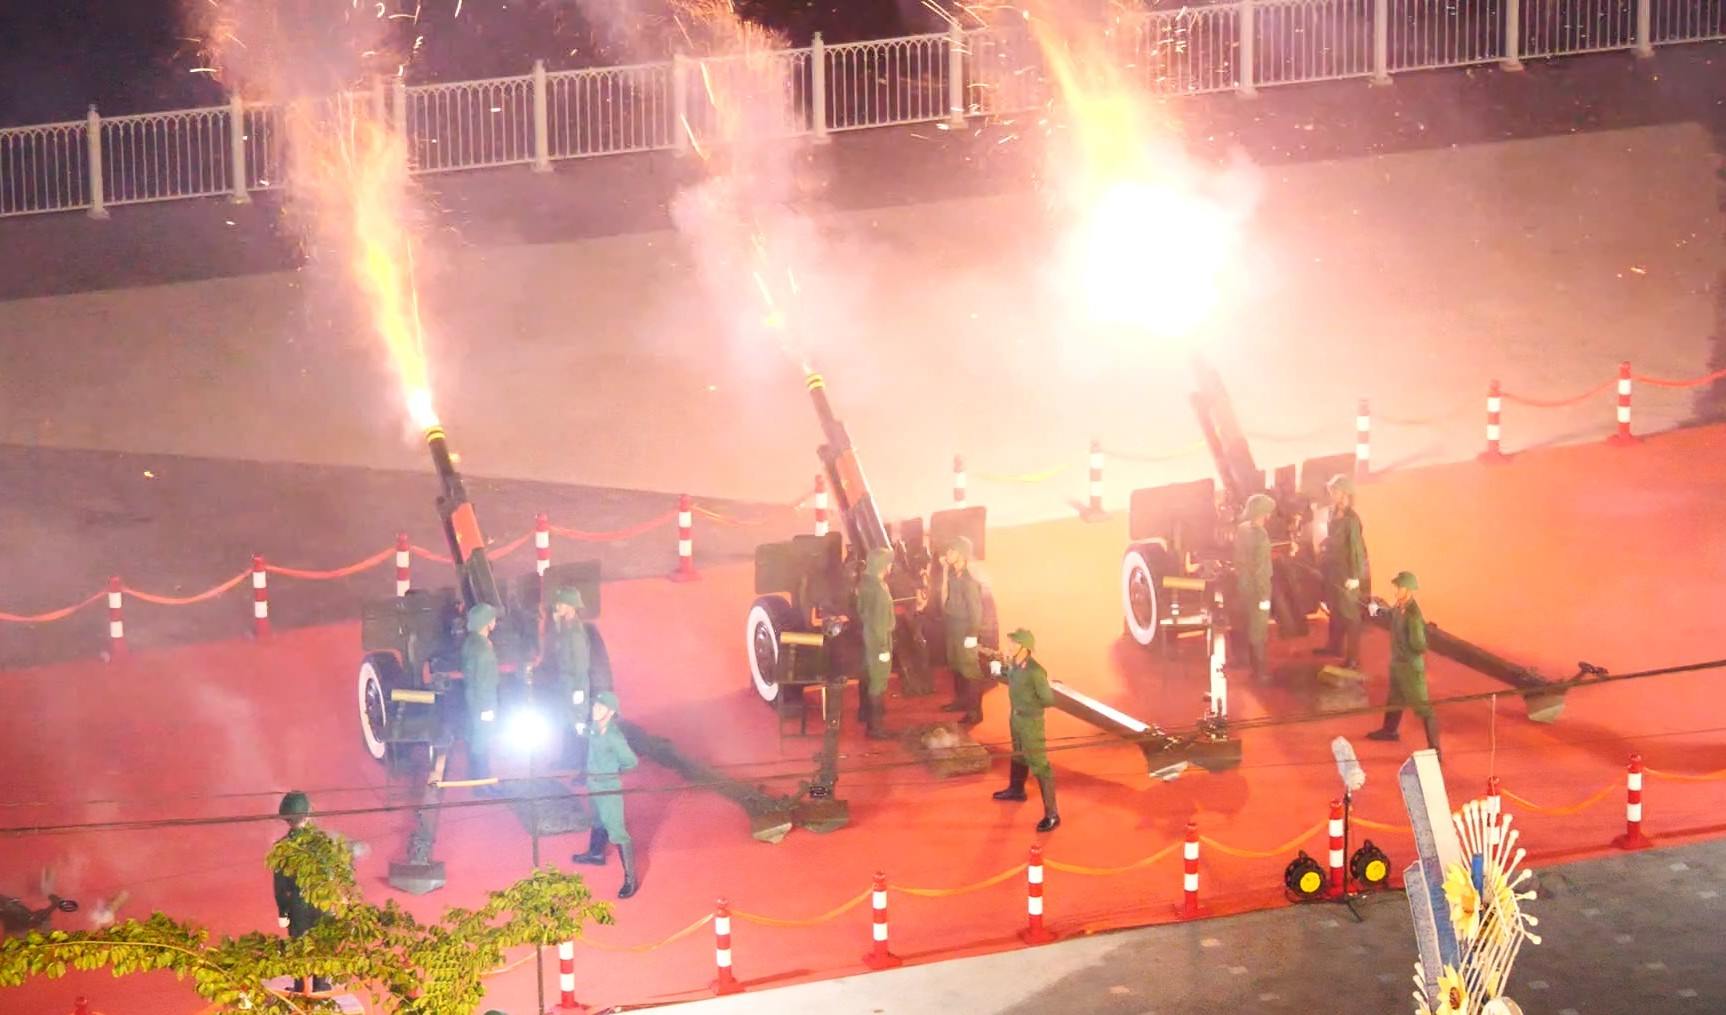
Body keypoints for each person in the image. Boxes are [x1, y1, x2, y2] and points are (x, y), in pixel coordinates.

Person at [570, 692, 641, 898]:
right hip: (594, 784)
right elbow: (583, 731)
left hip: (608, 789)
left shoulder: (613, 737)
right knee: (597, 820)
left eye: (601, 707)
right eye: (595, 706)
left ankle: (630, 879)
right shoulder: (595, 728)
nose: (595, 710)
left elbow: (631, 762)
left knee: (617, 830)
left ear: (611, 712)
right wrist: (575, 709)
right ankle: (596, 853)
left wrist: (612, 773)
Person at [990, 629, 1059, 832]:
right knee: (1018, 753)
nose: (1009, 647)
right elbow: (1011, 675)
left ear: (1025, 648)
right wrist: (998, 671)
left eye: (1014, 644)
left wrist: (1028, 706)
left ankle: (1052, 814)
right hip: (1016, 718)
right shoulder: (1015, 665)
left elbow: (1048, 700)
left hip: (1030, 722)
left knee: (1040, 765)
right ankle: (1017, 789)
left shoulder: (1035, 672)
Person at [1367, 571, 1440, 759]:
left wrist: (1417, 638)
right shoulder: (1400, 607)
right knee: (1395, 699)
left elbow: (1419, 645)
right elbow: (1391, 614)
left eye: (1399, 587)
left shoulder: (1413, 615)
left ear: (1408, 590)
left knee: (1424, 708)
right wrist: (1377, 611)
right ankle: (1389, 731)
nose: (1396, 590)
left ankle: (1435, 749)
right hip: (1398, 665)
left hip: (1410, 668)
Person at [273, 791, 331, 995]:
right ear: (308, 814)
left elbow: (281, 887)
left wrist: (282, 912)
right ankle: (321, 986)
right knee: (322, 944)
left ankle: (301, 988)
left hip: (297, 906)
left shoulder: (282, 848)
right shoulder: (324, 843)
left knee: (299, 946)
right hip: (324, 902)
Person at [546, 587, 607, 771]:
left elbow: (580, 664)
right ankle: (569, 759)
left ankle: (585, 766)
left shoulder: (575, 633)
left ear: (571, 607)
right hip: (567, 683)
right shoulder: (567, 628)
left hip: (575, 684)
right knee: (567, 721)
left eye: (561, 603)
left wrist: (579, 690)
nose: (557, 606)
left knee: (579, 724)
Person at [1314, 474, 1367, 670]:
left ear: (1344, 493)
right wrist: (1326, 544)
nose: (1331, 493)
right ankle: (1334, 647)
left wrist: (1355, 577)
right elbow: (1334, 537)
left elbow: (1356, 549)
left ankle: (1353, 658)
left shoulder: (1352, 520)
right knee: (1335, 610)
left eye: (1334, 490)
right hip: (1333, 570)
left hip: (1346, 572)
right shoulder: (1334, 513)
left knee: (1350, 614)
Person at [938, 536, 984, 726]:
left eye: (952, 551)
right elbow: (944, 598)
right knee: (956, 665)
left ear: (962, 554)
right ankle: (961, 701)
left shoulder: (969, 580)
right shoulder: (951, 574)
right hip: (952, 626)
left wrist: (973, 634)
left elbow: (976, 610)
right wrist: (944, 569)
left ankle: (975, 712)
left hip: (965, 628)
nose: (947, 554)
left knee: (970, 669)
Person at [1233, 493, 1275, 684]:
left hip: (1244, 586)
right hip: (1258, 590)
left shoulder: (1242, 529)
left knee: (1247, 625)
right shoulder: (1261, 536)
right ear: (1263, 513)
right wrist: (1264, 596)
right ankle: (1260, 673)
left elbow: (1238, 560)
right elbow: (1262, 570)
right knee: (1258, 630)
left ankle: (1250, 666)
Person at [857, 547, 896, 741]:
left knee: (868, 677)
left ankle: (865, 714)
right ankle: (876, 728)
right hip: (878, 641)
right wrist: (883, 649)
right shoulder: (880, 590)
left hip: (867, 637)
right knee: (878, 682)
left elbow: (861, 611)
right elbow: (881, 623)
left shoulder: (865, 583)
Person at [463, 603, 501, 787]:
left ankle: (479, 779)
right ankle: (482, 783)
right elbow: (485, 681)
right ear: (487, 623)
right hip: (484, 701)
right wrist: (487, 709)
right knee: (483, 739)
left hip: (472, 697)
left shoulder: (471, 642)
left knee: (476, 736)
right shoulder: (483, 649)